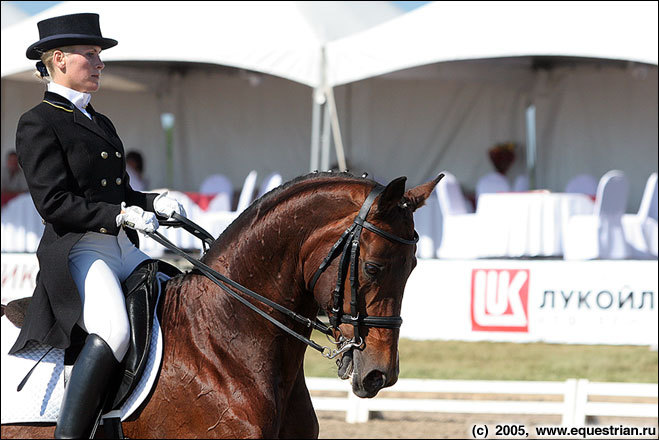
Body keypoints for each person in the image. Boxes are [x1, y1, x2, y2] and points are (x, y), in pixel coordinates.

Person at [8, 13, 186, 438]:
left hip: (122, 246)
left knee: (182, 303)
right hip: (79, 250)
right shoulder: (38, 122)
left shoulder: (100, 121)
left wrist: (151, 201)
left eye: (99, 55)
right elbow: (53, 204)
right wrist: (119, 215)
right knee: (114, 330)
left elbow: (118, 192)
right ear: (60, 59)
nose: (99, 63)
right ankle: (71, 435)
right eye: (91, 54)